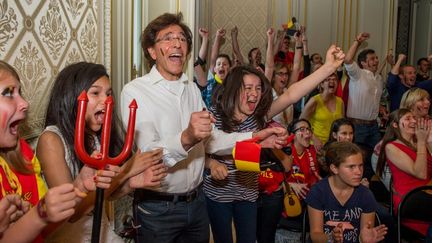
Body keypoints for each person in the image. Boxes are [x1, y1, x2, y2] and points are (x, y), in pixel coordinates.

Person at [120, 13, 289, 243]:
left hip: (197, 204)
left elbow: (213, 139)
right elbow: (149, 155)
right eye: (168, 38)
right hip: (159, 209)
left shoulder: (190, 89)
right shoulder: (135, 92)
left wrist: (256, 137)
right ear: (151, 51)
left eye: (182, 38)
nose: (177, 43)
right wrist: (187, 137)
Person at [37, 62, 167, 242]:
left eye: (108, 94)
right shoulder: (51, 140)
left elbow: (103, 194)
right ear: (73, 96)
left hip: (101, 230)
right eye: (95, 93)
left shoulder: (95, 137)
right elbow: (71, 214)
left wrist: (132, 183)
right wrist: (126, 171)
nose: (105, 101)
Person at [0, 60, 86, 242]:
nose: (24, 103)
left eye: (19, 92)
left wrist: (79, 186)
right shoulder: (50, 140)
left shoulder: (22, 152)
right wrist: (38, 216)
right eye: (8, 93)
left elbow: (45, 230)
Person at [306, 142, 388, 243]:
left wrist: (363, 240)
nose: (359, 172)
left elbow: (365, 232)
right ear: (334, 168)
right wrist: (331, 238)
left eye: (360, 166)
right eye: (351, 167)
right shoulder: (318, 192)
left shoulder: (366, 195)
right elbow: (315, 235)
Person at [376, 108, 432, 239]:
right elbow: (421, 173)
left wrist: (429, 141)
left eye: (414, 118)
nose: (413, 121)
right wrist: (423, 142)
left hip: (428, 193)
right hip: (410, 198)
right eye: (407, 119)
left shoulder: (419, 143)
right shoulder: (391, 146)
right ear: (395, 125)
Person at [344, 32, 384, 149]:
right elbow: (347, 60)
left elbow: (373, 99)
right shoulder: (358, 74)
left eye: (376, 58)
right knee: (356, 156)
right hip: (357, 126)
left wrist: (380, 108)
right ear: (363, 63)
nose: (376, 60)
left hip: (374, 126)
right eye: (372, 59)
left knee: (376, 158)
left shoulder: (379, 78)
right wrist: (357, 41)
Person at [301, 72, 344, 145]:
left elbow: (342, 125)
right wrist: (314, 139)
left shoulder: (340, 102)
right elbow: (301, 123)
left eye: (334, 79)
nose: (332, 82)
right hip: (315, 145)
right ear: (322, 84)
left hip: (333, 145)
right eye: (328, 79)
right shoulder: (314, 101)